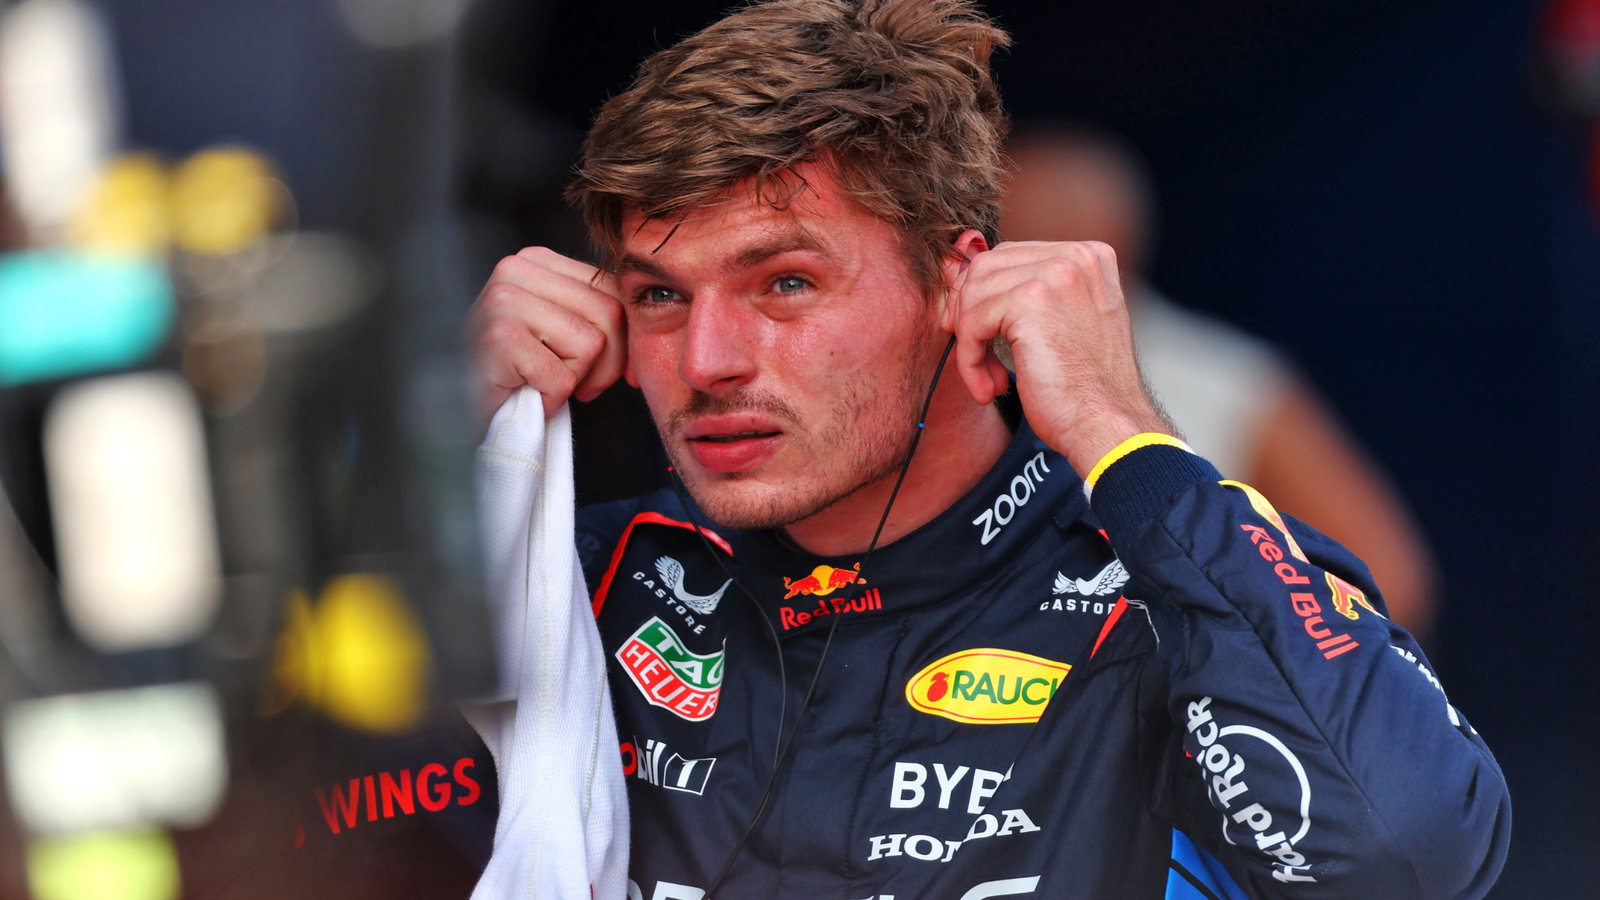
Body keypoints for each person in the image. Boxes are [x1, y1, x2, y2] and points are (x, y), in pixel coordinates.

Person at [467, 1, 1510, 897]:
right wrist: (436, 428)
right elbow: (321, 816)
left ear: (955, 283)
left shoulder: (1159, 604)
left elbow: (1407, 863)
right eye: (659, 294)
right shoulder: (574, 585)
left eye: (783, 282)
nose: (705, 359)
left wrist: (1118, 429)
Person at [1001, 125, 1438, 639]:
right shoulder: (946, 373)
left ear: (1111, 242)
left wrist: (1236, 667)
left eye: (1034, 230)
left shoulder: (1225, 382)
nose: (1008, 255)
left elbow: (1390, 581)